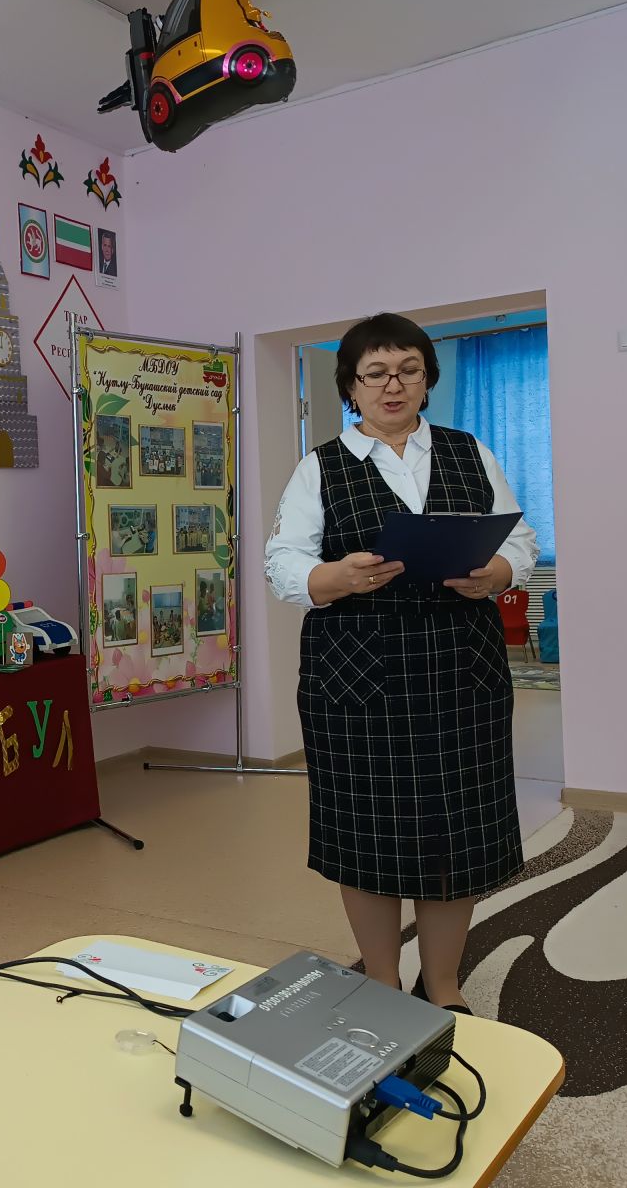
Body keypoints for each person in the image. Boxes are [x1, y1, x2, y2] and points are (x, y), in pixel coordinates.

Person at [264, 313, 538, 1014]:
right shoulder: (320, 466)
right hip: (357, 675)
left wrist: (498, 572)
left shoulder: (469, 452)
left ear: (427, 379)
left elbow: (520, 539)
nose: (394, 385)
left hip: (461, 670)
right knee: (367, 833)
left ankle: (442, 984)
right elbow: (282, 562)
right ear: (351, 387)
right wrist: (334, 577)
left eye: (409, 370)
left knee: (459, 831)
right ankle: (382, 982)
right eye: (376, 373)